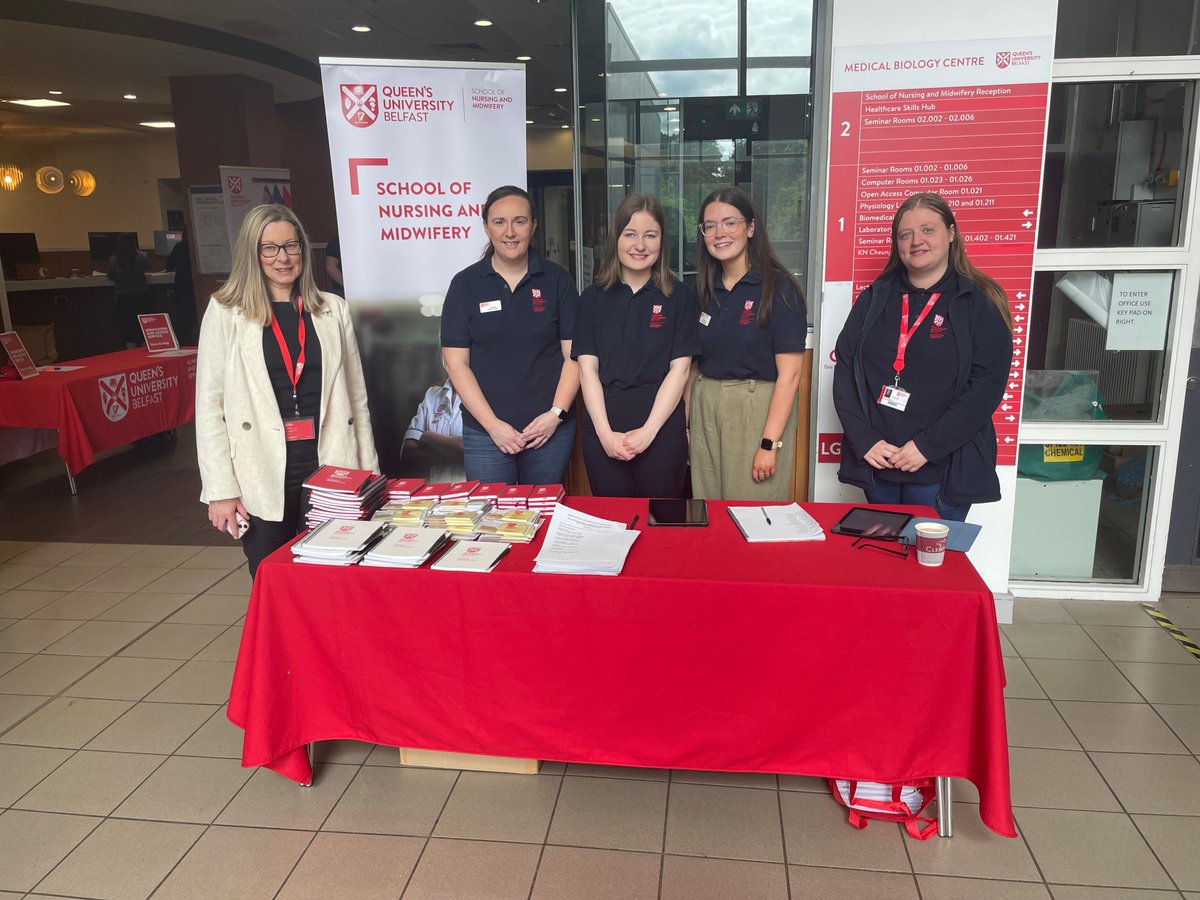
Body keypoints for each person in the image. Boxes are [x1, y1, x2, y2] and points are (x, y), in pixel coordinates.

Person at [195, 204, 378, 577]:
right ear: (252, 253)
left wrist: (369, 476)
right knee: (273, 577)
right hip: (261, 467)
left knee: (333, 576)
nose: (283, 258)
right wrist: (220, 489)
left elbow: (357, 400)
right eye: (270, 248)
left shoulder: (333, 309)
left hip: (330, 461)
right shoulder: (225, 311)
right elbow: (210, 406)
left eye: (292, 246)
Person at [833, 191, 1014, 522]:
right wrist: (865, 441)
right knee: (882, 562)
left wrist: (927, 448)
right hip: (879, 465)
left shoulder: (979, 302)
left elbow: (986, 387)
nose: (916, 241)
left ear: (951, 233)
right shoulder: (875, 297)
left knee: (929, 568)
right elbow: (845, 368)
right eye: (906, 234)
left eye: (927, 229)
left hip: (940, 468)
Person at [441, 185, 580, 485]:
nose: (510, 231)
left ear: (534, 226)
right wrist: (493, 427)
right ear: (486, 227)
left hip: (549, 432)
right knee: (493, 522)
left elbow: (574, 357)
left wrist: (554, 415)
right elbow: (456, 364)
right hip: (485, 434)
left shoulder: (558, 280)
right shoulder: (465, 285)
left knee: (543, 516)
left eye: (519, 221)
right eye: (499, 222)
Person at [573, 194, 698, 497]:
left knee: (661, 529)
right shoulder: (591, 299)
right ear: (616, 238)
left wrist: (649, 432)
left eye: (650, 235)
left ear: (662, 241)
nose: (640, 245)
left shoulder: (681, 297)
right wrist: (605, 434)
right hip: (604, 432)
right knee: (614, 528)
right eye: (630, 234)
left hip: (661, 432)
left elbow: (680, 371)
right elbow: (587, 370)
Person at [689, 186, 808, 501]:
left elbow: (791, 376)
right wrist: (689, 425)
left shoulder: (779, 289)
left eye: (730, 222)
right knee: (709, 507)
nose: (719, 233)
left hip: (756, 408)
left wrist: (769, 444)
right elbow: (694, 364)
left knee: (753, 512)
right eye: (710, 226)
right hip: (706, 405)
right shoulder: (703, 290)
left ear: (751, 227)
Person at [401, 377, 465, 483]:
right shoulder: (432, 394)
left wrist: (427, 436)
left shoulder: (489, 394)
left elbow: (470, 451)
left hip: (473, 495)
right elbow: (408, 452)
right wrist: (456, 452)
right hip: (434, 495)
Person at [107, 233, 150, 348]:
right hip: (140, 297)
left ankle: (131, 355)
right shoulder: (140, 258)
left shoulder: (113, 260)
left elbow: (110, 277)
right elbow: (148, 266)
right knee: (141, 329)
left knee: (128, 329)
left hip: (123, 299)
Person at [165, 228, 198, 346]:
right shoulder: (197, 247)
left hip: (182, 286)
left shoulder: (179, 247)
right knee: (197, 317)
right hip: (195, 286)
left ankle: (186, 344)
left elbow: (168, 265)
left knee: (184, 320)